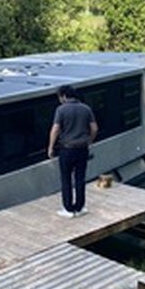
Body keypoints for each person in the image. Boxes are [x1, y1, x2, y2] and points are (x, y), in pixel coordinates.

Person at [47, 85, 98, 218]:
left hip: (67, 149)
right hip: (82, 149)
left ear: (64, 96)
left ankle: (68, 209)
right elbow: (94, 128)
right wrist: (89, 141)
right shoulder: (86, 108)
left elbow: (56, 129)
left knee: (66, 178)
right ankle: (79, 207)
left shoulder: (61, 110)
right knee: (80, 178)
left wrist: (51, 147)